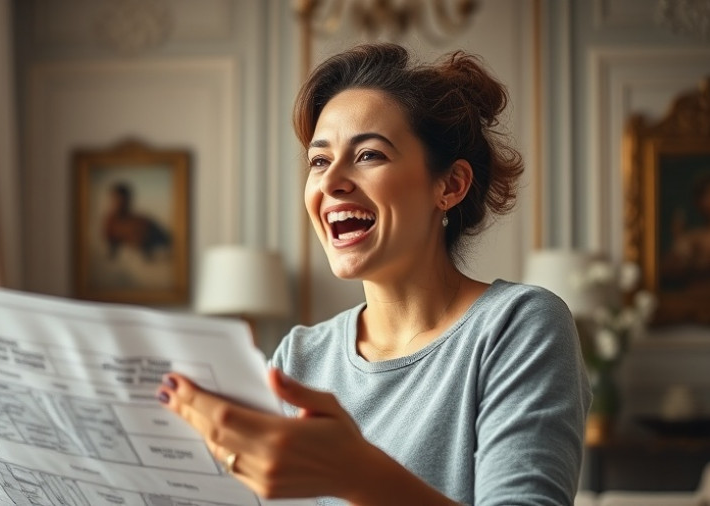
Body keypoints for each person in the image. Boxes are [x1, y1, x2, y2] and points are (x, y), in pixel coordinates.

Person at [155, 43, 591, 505]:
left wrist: (357, 474)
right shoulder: (299, 359)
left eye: (368, 156)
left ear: (450, 185)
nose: (331, 181)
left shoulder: (519, 325)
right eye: (319, 161)